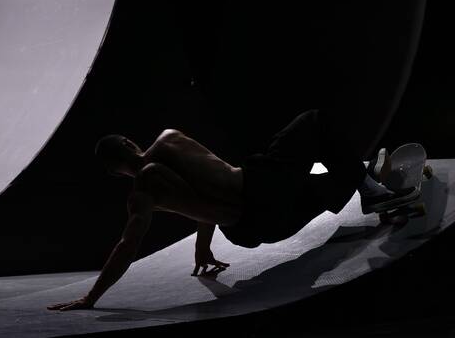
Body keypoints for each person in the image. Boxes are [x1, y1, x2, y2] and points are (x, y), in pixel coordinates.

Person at [47, 109, 415, 311]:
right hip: (260, 188)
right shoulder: (169, 138)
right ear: (130, 142)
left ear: (115, 173)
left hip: (253, 230)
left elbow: (127, 245)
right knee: (314, 122)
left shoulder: (144, 193)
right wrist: (200, 245)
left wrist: (90, 298)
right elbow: (203, 177)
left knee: (315, 189)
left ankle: (362, 184)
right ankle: (367, 187)